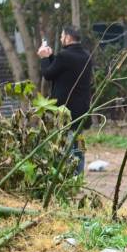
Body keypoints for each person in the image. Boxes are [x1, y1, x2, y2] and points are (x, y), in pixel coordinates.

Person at [37, 26, 93, 175]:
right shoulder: (86, 55)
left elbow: (49, 74)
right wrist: (50, 57)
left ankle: (69, 176)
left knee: (66, 146)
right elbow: (63, 70)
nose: (61, 39)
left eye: (62, 36)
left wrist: (44, 59)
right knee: (79, 144)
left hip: (66, 111)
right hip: (82, 109)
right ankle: (78, 175)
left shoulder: (64, 56)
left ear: (68, 38)